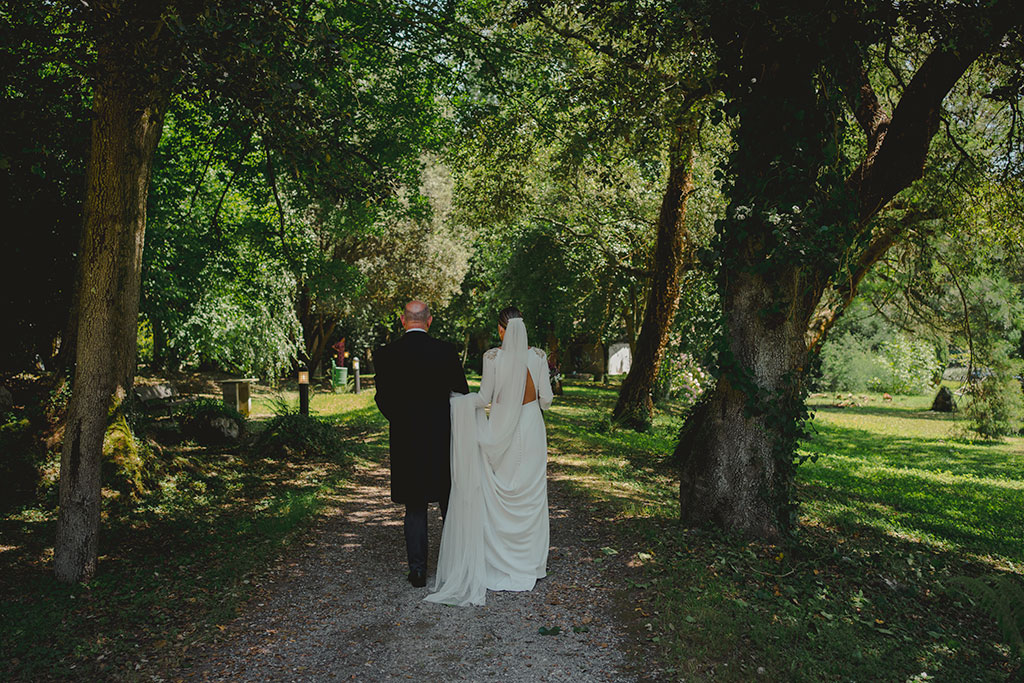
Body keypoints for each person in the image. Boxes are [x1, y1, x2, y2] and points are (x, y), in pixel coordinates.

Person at [425, 306, 553, 606]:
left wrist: (456, 401)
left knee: (501, 488)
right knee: (531, 495)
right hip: (532, 427)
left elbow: (483, 400)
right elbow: (546, 401)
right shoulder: (538, 357)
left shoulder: (493, 357)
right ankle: (531, 564)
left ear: (501, 329)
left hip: (502, 430)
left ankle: (500, 562)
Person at [374, 300, 469, 587]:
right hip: (441, 438)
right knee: (448, 502)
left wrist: (402, 420)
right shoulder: (445, 351)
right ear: (429, 321)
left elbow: (382, 399)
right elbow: (461, 391)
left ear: (403, 321)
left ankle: (417, 571)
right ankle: (455, 568)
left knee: (414, 506)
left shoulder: (387, 354)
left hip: (406, 440)